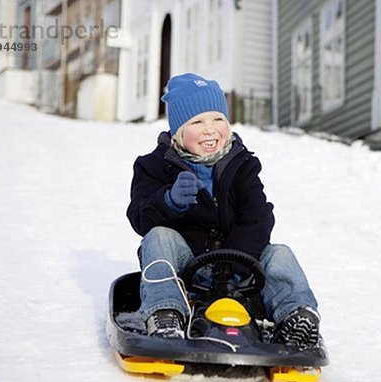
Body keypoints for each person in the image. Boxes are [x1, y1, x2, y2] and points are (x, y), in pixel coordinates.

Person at [126, 73, 321, 350]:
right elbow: (139, 217)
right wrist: (169, 201)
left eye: (218, 119)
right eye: (197, 122)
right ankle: (165, 313)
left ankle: (296, 315)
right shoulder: (154, 166)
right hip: (185, 266)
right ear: (178, 131)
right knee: (158, 237)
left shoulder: (242, 163)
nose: (210, 130)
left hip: (240, 262)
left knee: (280, 254)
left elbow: (258, 215)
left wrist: (232, 266)